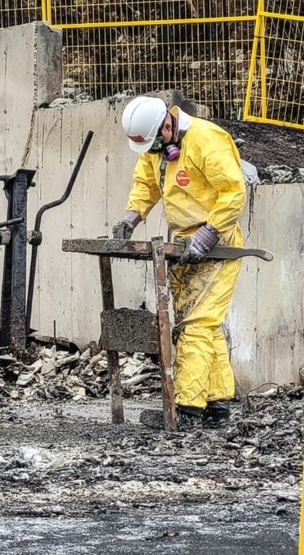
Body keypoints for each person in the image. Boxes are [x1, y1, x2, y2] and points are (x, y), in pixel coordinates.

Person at [111, 95, 246, 431]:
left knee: (195, 326)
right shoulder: (157, 149)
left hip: (217, 243)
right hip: (184, 245)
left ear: (168, 124)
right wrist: (132, 215)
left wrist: (209, 235)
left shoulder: (205, 139)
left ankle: (187, 409)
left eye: (158, 144)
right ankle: (217, 406)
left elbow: (233, 191)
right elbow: (146, 184)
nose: (156, 153)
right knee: (204, 324)